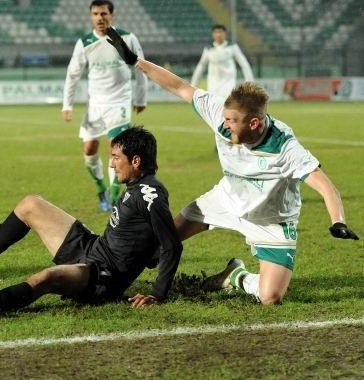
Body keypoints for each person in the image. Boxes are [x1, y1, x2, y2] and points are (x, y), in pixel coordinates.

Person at [106, 27, 359, 305]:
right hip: (225, 200)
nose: (224, 125)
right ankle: (107, 279)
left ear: (254, 123)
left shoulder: (285, 148)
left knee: (270, 296)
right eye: (224, 119)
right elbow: (179, 86)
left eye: (231, 121)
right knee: (159, 241)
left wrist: (338, 221)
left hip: (271, 219)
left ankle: (235, 275)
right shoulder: (220, 113)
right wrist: (136, 61)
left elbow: (326, 186)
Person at [0, 127, 182, 318]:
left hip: (102, 276)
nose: (110, 164)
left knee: (46, 278)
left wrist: (157, 294)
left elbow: (172, 245)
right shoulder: (136, 186)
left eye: (116, 158)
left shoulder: (151, 195)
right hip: (93, 248)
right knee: (31, 204)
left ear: (136, 161)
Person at [62, 0, 147, 212]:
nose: (100, 18)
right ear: (91, 16)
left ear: (112, 15)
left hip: (119, 102)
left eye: (104, 14)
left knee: (117, 149)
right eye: (95, 14)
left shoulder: (127, 37)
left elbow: (141, 68)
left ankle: (115, 197)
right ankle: (102, 189)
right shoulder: (85, 43)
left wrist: (140, 98)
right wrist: (67, 104)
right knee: (89, 149)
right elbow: (73, 74)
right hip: (95, 105)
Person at [190, 25, 254, 104]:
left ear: (225, 33)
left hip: (229, 84)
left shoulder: (232, 47)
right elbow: (201, 66)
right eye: (216, 32)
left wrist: (250, 83)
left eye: (220, 32)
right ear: (213, 34)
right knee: (214, 106)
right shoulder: (209, 49)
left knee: (228, 106)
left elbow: (244, 64)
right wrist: (193, 85)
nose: (218, 35)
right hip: (213, 84)